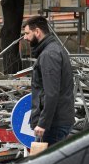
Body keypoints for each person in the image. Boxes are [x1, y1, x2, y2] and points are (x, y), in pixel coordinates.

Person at [22, 15, 75, 145]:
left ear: (37, 32)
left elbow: (51, 93)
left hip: (53, 125)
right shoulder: (53, 50)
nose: (25, 38)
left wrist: (43, 123)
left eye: (27, 33)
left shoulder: (49, 55)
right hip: (56, 122)